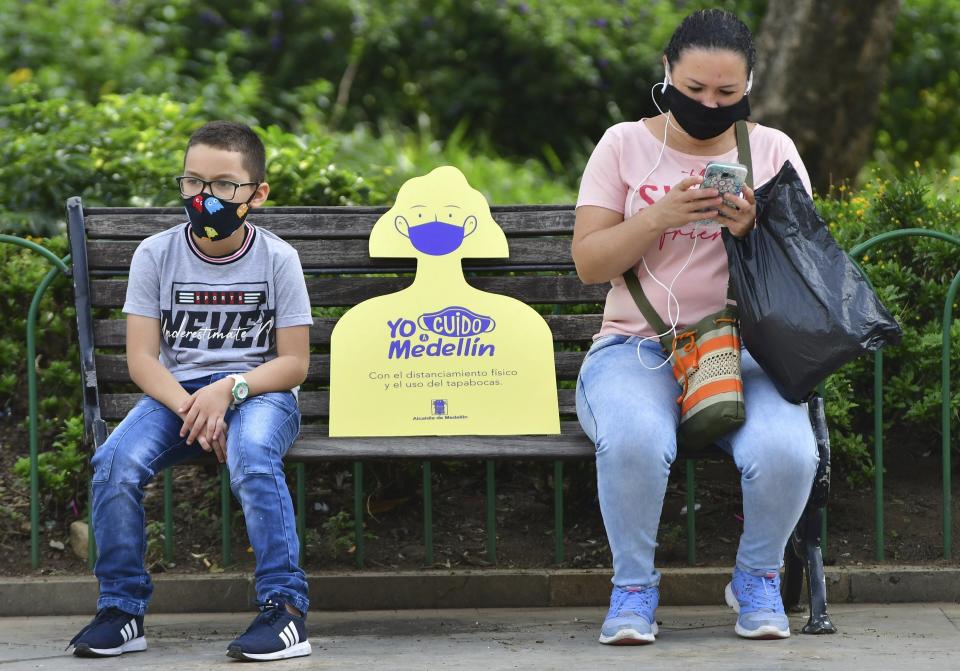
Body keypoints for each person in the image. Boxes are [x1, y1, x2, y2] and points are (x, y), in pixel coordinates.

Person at [572, 9, 819, 644]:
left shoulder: (772, 150)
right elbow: (589, 263)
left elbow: (806, 266)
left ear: (749, 88)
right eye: (695, 90)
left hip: (743, 350)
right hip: (634, 347)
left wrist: (748, 228)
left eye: (726, 94)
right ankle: (633, 588)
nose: (709, 104)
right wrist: (659, 217)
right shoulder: (624, 144)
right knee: (632, 441)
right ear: (666, 74)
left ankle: (757, 576)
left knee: (789, 452)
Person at [68, 121, 314, 661]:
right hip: (180, 396)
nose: (206, 197)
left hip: (260, 393)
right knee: (113, 462)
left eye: (225, 185)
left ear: (257, 194)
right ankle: (122, 609)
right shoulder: (157, 254)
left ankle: (285, 609)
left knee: (251, 456)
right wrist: (195, 406)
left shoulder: (277, 259)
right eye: (194, 182)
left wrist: (230, 389)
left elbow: (294, 363)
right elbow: (140, 359)